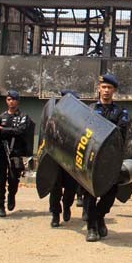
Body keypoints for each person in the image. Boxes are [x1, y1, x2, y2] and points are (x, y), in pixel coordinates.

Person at [83, 73, 130, 242]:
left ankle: (99, 216)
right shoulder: (90, 110)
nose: (106, 91)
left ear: (114, 90)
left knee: (110, 194)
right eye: (103, 87)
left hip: (111, 160)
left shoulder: (121, 111)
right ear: (98, 89)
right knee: (90, 193)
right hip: (92, 159)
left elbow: (121, 130)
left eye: (109, 88)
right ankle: (91, 228)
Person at [0, 90, 32, 218]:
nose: (11, 102)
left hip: (16, 153)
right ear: (6, 101)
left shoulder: (23, 117)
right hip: (2, 153)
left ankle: (11, 196)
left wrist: (4, 130)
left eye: (13, 99)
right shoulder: (1, 117)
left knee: (14, 179)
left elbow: (21, 131)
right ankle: (0, 205)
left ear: (17, 101)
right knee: (1, 179)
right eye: (9, 99)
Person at [48, 89, 81, 228]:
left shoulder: (79, 120)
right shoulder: (54, 116)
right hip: (56, 159)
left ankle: (67, 206)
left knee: (70, 189)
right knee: (54, 188)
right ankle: (55, 214)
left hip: (70, 160)